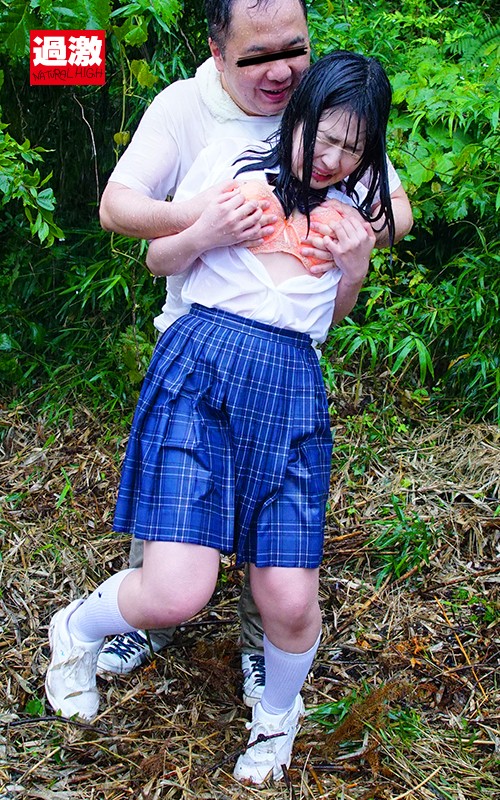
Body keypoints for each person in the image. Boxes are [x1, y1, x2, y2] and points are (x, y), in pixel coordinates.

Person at [45, 49, 401, 785]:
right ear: (297, 113)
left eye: (352, 147)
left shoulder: (354, 210)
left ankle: (275, 722)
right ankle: (75, 631)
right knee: (176, 591)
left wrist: (357, 267)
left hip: (290, 392)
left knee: (290, 600)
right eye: (324, 136)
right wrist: (207, 231)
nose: (332, 158)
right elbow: (158, 259)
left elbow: (326, 321)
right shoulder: (232, 164)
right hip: (201, 376)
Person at [96, 0, 413, 699]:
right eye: (258, 57)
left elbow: (393, 209)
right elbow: (119, 209)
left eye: (293, 49)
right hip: (201, 338)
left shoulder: (329, 113)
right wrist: (209, 218)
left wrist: (351, 241)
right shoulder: (190, 113)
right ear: (218, 51)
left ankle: (259, 649)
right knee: (178, 519)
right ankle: (146, 620)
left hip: (286, 359)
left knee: (273, 535)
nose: (281, 71)